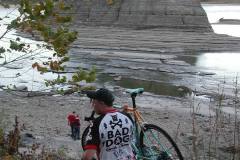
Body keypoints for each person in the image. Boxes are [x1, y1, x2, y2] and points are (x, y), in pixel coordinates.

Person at [82, 88, 135, 160]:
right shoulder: (127, 117)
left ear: (102, 102)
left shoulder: (96, 123)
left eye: (94, 101)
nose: (93, 105)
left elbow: (87, 156)